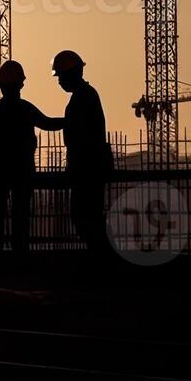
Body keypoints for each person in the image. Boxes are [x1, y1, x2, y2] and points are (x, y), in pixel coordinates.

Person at [0, 60, 62, 255]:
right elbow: (47, 123)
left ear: (0, 86)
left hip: (0, 168)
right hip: (21, 169)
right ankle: (20, 254)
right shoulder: (24, 108)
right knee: (21, 214)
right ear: (21, 84)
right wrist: (70, 120)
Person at [53, 50, 112, 257]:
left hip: (87, 169)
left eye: (60, 76)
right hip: (88, 168)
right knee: (88, 217)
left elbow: (80, 136)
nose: (59, 81)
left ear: (71, 74)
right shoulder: (85, 95)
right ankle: (102, 260)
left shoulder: (83, 97)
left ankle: (103, 261)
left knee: (86, 217)